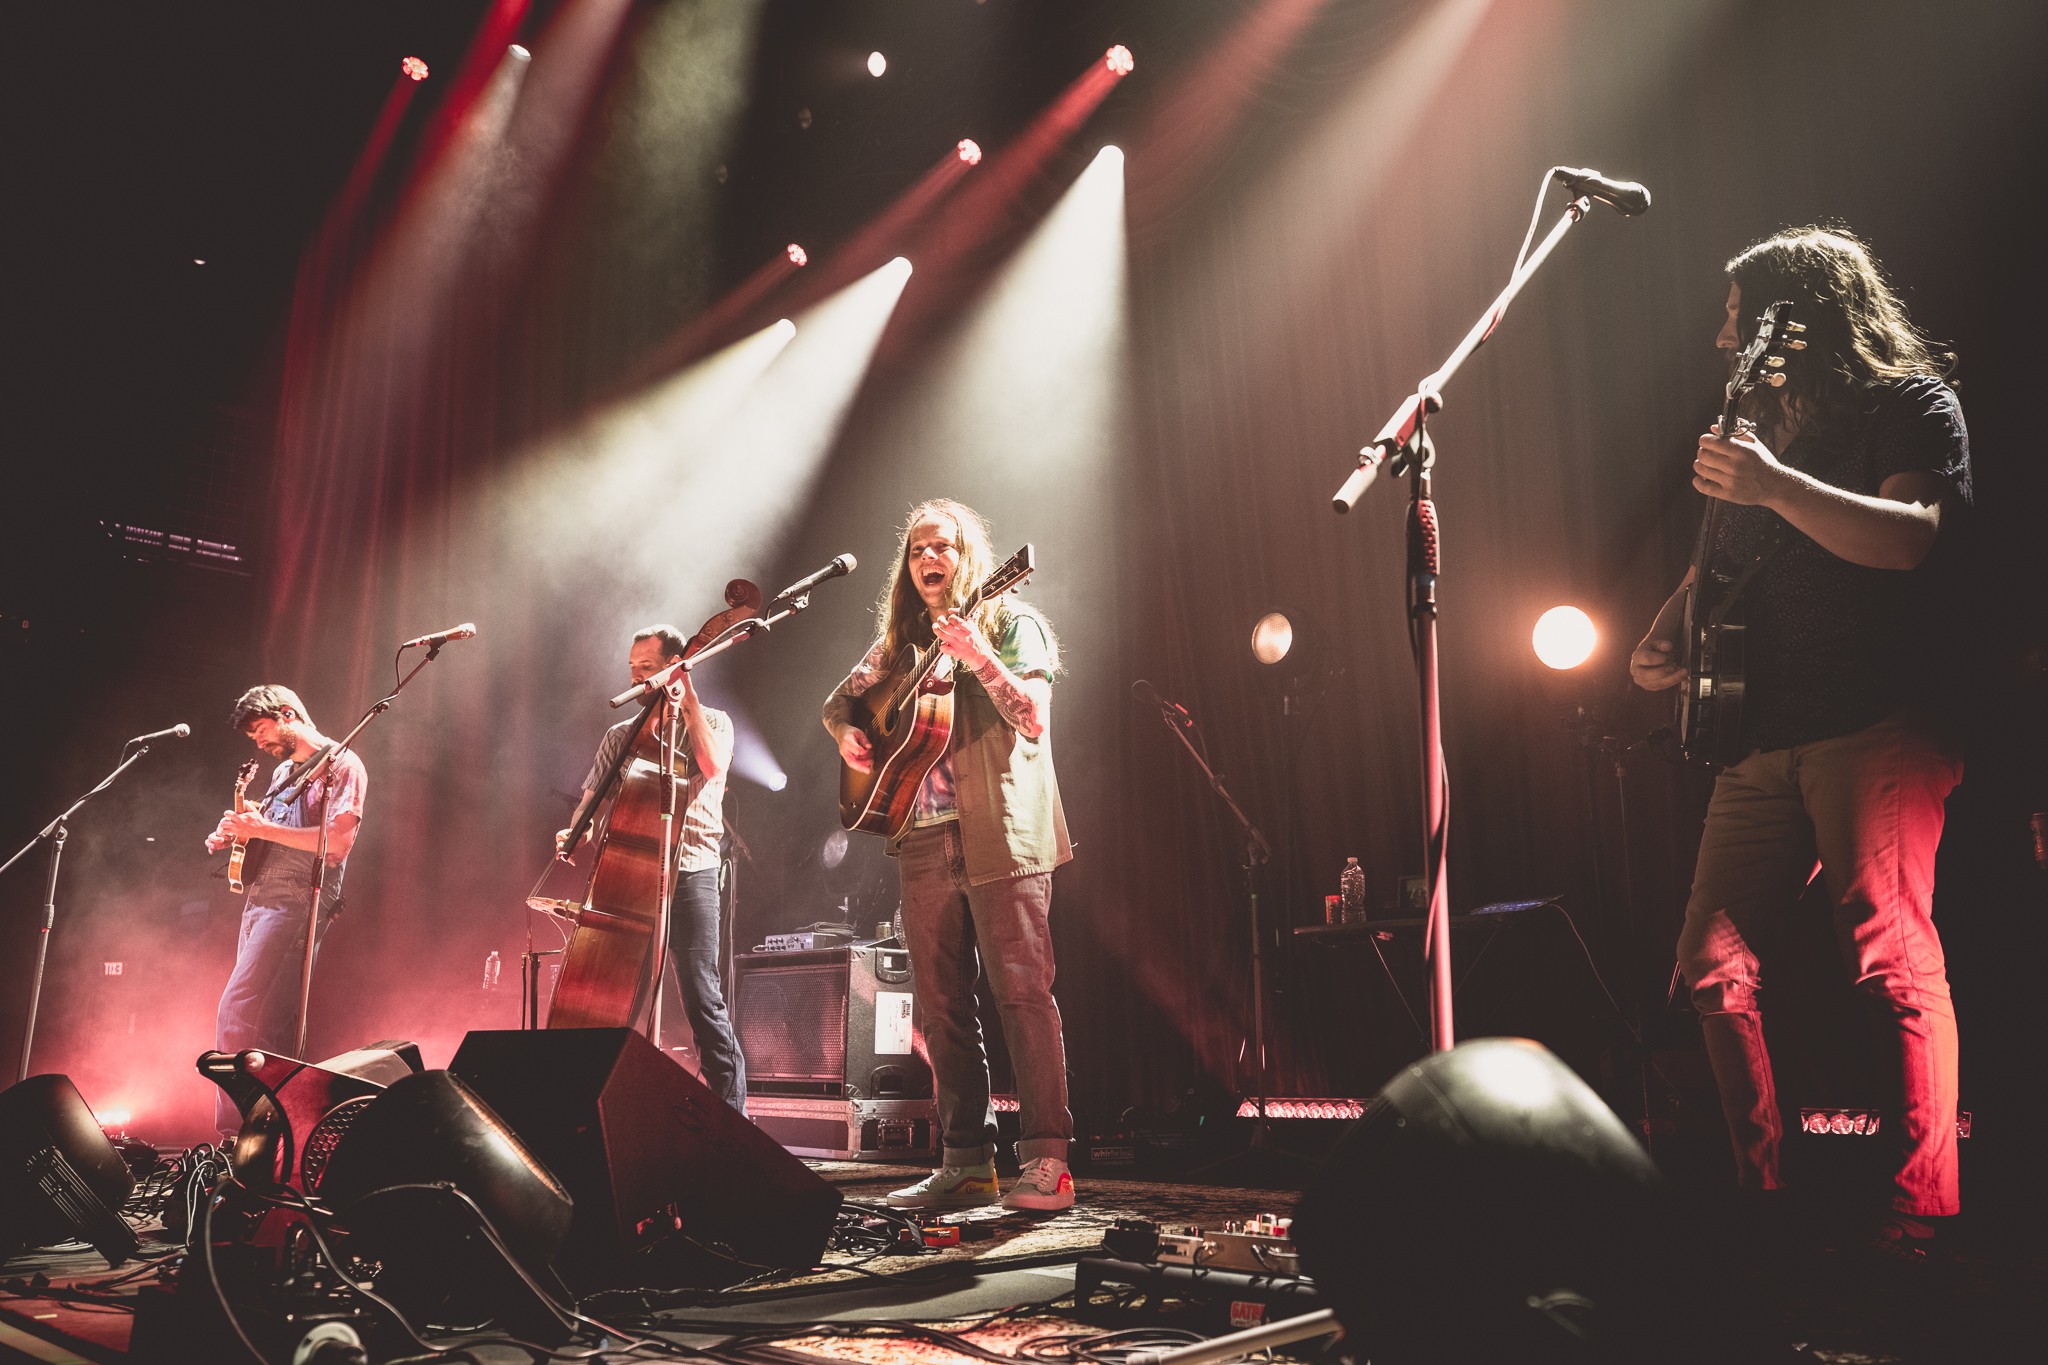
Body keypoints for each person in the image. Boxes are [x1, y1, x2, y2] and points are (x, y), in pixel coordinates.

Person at [1630, 226, 1970, 1259]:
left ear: (1793, 319)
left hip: (1875, 720)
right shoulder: (1758, 429)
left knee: (1886, 956)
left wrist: (1773, 482)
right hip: (1761, 735)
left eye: (1736, 313)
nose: (1721, 335)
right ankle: (1757, 1198)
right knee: (1708, 960)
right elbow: (1724, 563)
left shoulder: (1908, 405)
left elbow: (1909, 536)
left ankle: (1917, 1211)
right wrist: (1667, 629)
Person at [823, 499, 1076, 1212]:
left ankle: (1048, 1159)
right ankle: (967, 1159)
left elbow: (1032, 715)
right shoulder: (898, 646)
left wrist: (980, 656)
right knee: (939, 1007)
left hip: (1001, 830)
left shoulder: (1013, 622)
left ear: (970, 555)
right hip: (923, 836)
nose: (929, 560)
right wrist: (850, 735)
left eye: (943, 546)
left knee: (1022, 994)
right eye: (916, 551)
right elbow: (837, 704)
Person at [557, 626, 747, 1113]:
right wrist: (573, 833)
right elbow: (592, 798)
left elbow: (713, 766)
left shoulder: (714, 721)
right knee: (616, 995)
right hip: (631, 875)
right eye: (633, 669)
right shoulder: (621, 736)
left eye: (648, 668)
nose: (640, 677)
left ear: (674, 665)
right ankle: (602, 1107)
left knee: (701, 994)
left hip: (695, 870)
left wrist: (688, 702)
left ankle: (731, 1117)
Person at [204, 686, 368, 1136]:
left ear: (288, 715)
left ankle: (233, 1129)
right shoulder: (282, 773)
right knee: (273, 1025)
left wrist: (264, 827)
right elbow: (271, 830)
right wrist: (238, 829)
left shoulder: (344, 765)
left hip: (297, 900)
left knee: (237, 1008)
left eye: (261, 729)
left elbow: (336, 844)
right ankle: (271, 1132)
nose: (258, 741)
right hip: (260, 900)